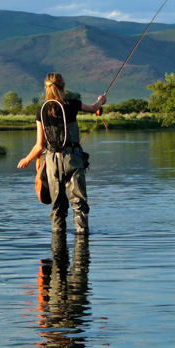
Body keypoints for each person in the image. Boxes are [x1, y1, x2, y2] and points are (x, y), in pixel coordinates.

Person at [17, 73, 106, 234]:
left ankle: (57, 241)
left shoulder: (41, 111)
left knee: (57, 204)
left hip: (51, 162)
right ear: (63, 87)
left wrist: (26, 159)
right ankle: (82, 238)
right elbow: (94, 109)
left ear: (47, 89)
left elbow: (39, 146)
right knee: (78, 203)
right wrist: (101, 100)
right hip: (73, 159)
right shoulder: (72, 104)